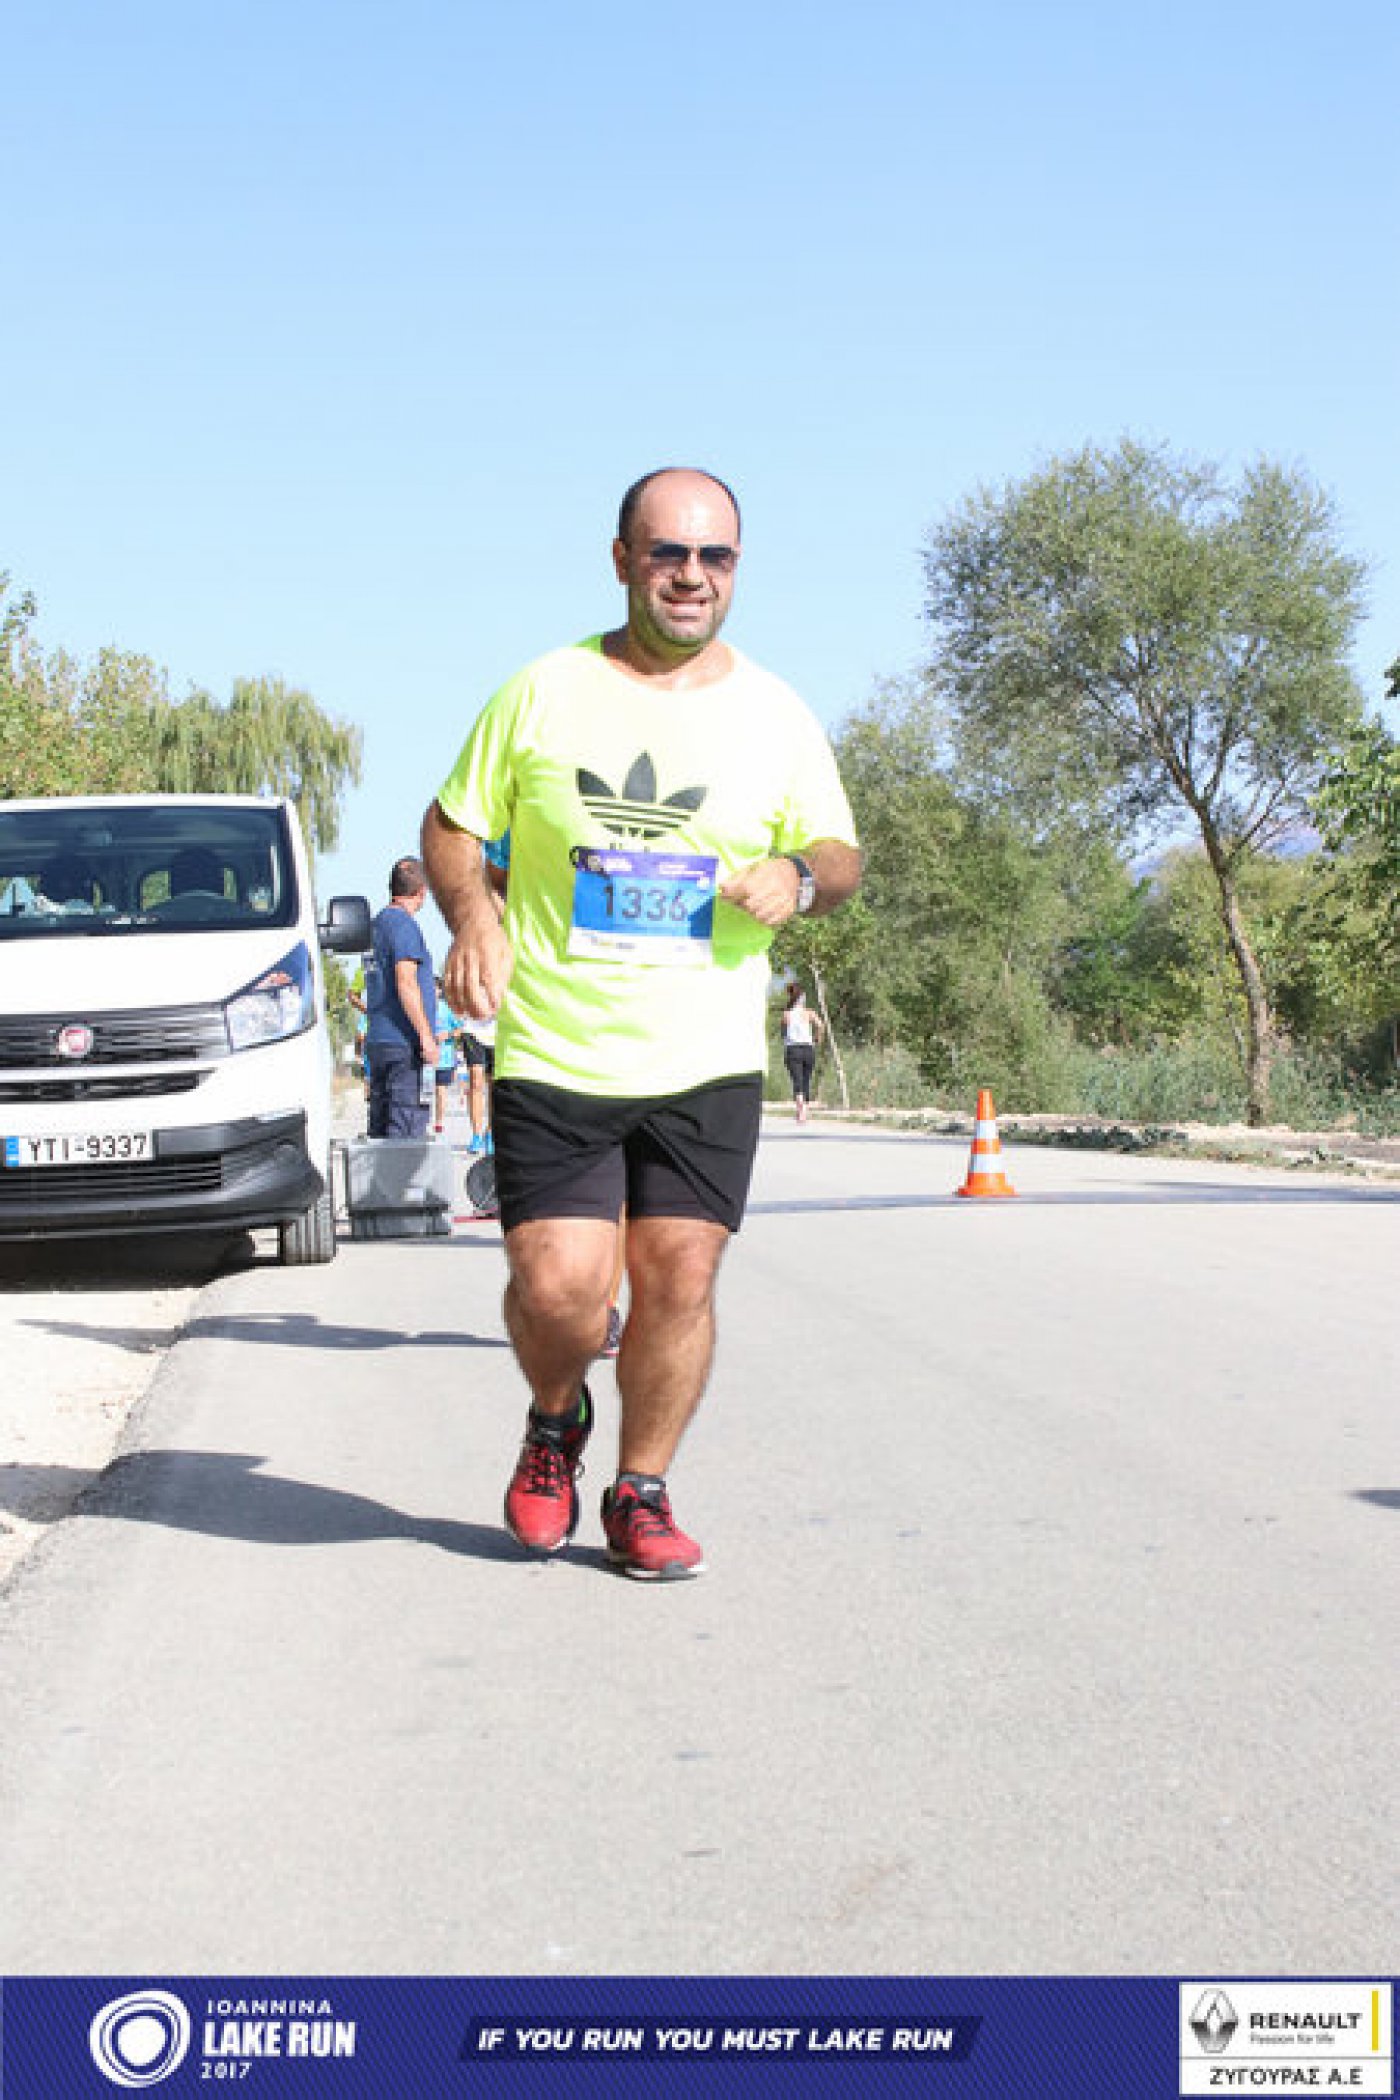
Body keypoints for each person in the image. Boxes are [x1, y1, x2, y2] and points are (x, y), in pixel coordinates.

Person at [422, 466, 861, 1581]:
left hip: (704, 1055)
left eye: (714, 556)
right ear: (622, 559)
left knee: (679, 1279)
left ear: (736, 569)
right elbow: (451, 825)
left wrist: (798, 877)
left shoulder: (774, 710)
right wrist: (473, 919)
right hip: (558, 1046)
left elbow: (840, 853)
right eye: (668, 552)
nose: (691, 575)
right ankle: (556, 1417)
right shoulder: (543, 690)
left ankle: (641, 1491)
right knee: (562, 1293)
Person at [364, 857, 439, 1140]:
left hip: (379, 1040)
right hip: (403, 1044)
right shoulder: (404, 926)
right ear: (422, 891)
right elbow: (406, 982)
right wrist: (426, 1036)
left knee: (380, 1131)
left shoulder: (375, 926)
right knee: (404, 1134)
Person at [780, 983, 823, 1123]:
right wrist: (817, 1038)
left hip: (793, 1049)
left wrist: (786, 1038)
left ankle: (800, 1108)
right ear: (802, 998)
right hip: (808, 1049)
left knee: (796, 1080)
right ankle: (804, 1108)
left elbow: (783, 1032)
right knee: (806, 1079)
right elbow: (820, 1025)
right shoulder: (809, 1013)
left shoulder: (786, 1014)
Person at [432, 977, 464, 1135]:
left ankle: (439, 1122)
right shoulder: (420, 1007)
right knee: (422, 1091)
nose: (432, 991)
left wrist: (447, 1034)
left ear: (440, 990)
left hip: (443, 1058)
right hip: (423, 1057)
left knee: (440, 1090)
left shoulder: (447, 1009)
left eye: (435, 988)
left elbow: (461, 1030)